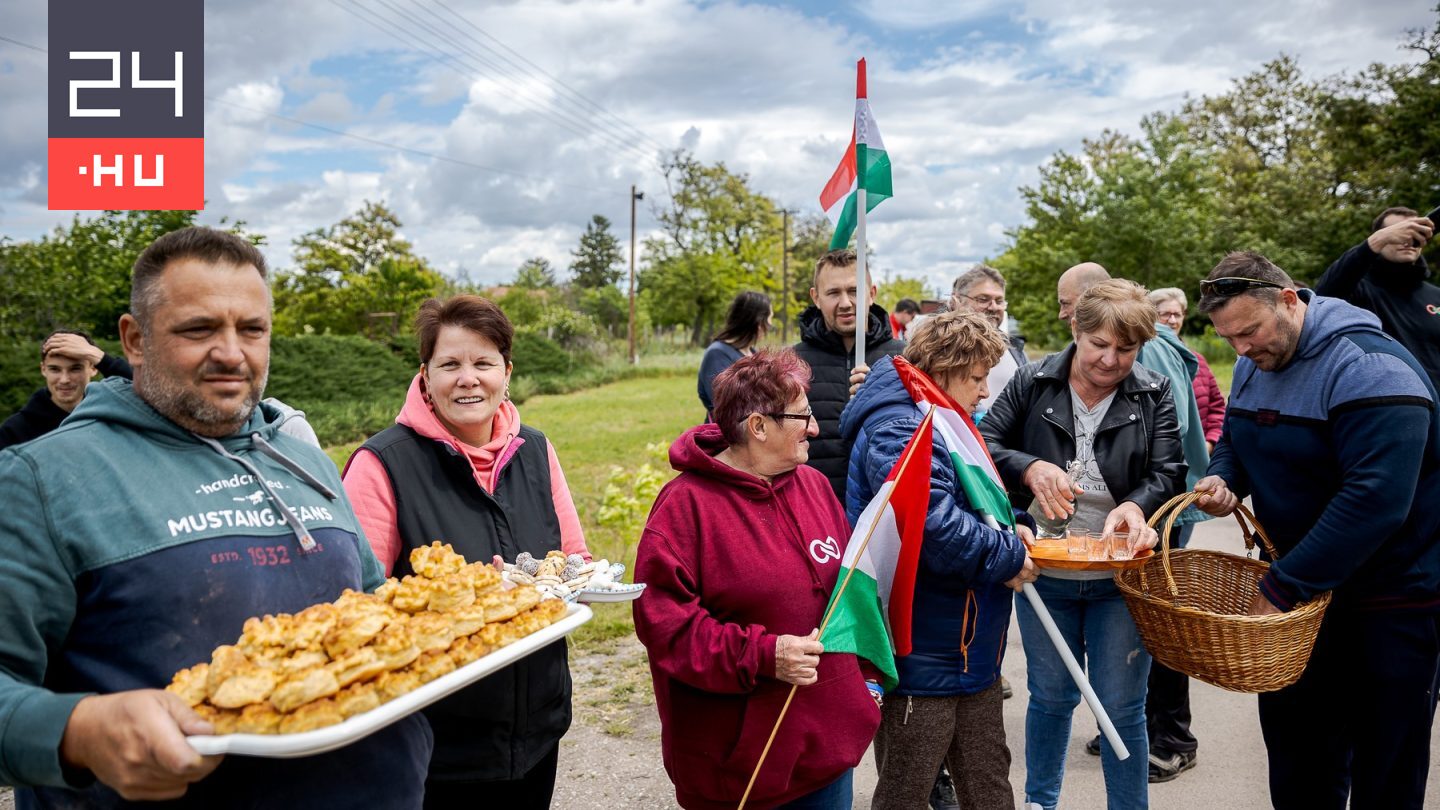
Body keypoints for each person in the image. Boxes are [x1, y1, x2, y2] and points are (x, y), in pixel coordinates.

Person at [0, 226, 432, 807]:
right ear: (134, 340)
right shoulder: (40, 479)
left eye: (252, 329)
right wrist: (77, 731)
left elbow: (377, 605)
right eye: (199, 328)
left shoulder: (307, 461)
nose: (232, 352)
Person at [1192, 251, 1440, 810]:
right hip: (1301, 603)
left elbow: (1374, 501)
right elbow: (1236, 438)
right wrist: (1224, 477)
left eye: (1249, 332)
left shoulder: (1371, 368)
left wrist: (1280, 589)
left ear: (1289, 300)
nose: (1242, 351)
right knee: (1299, 757)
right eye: (1229, 339)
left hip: (1390, 601)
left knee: (1386, 766)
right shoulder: (1259, 360)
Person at [342, 294, 588, 809]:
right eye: (450, 364)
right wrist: (462, 603)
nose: (468, 378)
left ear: (507, 372)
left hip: (537, 726)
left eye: (483, 363)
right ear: (425, 376)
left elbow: (573, 563)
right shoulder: (382, 464)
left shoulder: (537, 451)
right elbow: (354, 608)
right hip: (438, 744)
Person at [634, 349, 881, 810]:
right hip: (737, 773)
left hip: (828, 757)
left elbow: (851, 593)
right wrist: (764, 655)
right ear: (758, 426)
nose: (815, 428)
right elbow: (667, 630)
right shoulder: (683, 508)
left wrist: (866, 686)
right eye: (803, 416)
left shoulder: (813, 484)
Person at [981, 279, 1184, 810]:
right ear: (1076, 327)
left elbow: (1170, 472)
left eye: (1126, 349)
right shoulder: (1032, 381)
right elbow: (984, 447)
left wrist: (1137, 504)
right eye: (1100, 344)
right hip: (1045, 573)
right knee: (1050, 698)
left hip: (1121, 576)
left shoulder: (1153, 390)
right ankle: (1039, 803)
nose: (1111, 360)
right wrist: (1031, 467)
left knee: (1122, 707)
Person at [840, 310, 1038, 810]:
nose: (985, 391)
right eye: (976, 378)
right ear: (944, 367)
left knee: (989, 788)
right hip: (924, 652)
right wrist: (1010, 554)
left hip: (967, 646)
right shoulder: (901, 424)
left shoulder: (940, 412)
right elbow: (931, 527)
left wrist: (1015, 521)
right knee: (906, 791)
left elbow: (978, 497)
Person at [794, 249, 905, 500]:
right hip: (812, 506)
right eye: (833, 292)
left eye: (854, 291)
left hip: (884, 508)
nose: (845, 303)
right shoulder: (790, 364)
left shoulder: (906, 358)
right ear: (816, 297)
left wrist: (889, 393)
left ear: (872, 294)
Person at [1315, 206, 1440, 391]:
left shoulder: (1435, 295)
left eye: (1415, 231)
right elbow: (1322, 296)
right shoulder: (1357, 287)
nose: (1408, 240)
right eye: (1399, 233)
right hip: (1388, 402)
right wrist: (1376, 241)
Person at [0, 330, 132, 450]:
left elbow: (145, 393)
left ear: (93, 368)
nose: (64, 379)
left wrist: (102, 358)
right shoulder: (14, 431)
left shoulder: (112, 416)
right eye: (55, 369)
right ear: (43, 369)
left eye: (75, 369)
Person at [1149, 288, 1226, 451]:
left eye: (1177, 314)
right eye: (1165, 314)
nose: (1172, 321)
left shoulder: (1197, 360)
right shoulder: (1146, 359)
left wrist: (1209, 443)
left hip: (1200, 459)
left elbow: (1217, 407)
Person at [949, 265, 1027, 420]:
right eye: (983, 299)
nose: (993, 307)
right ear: (956, 300)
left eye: (999, 301)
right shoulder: (939, 350)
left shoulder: (1015, 351)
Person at [698, 291, 772, 418]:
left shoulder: (752, 352)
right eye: (769, 319)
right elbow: (726, 406)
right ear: (758, 323)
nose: (770, 325)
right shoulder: (717, 354)